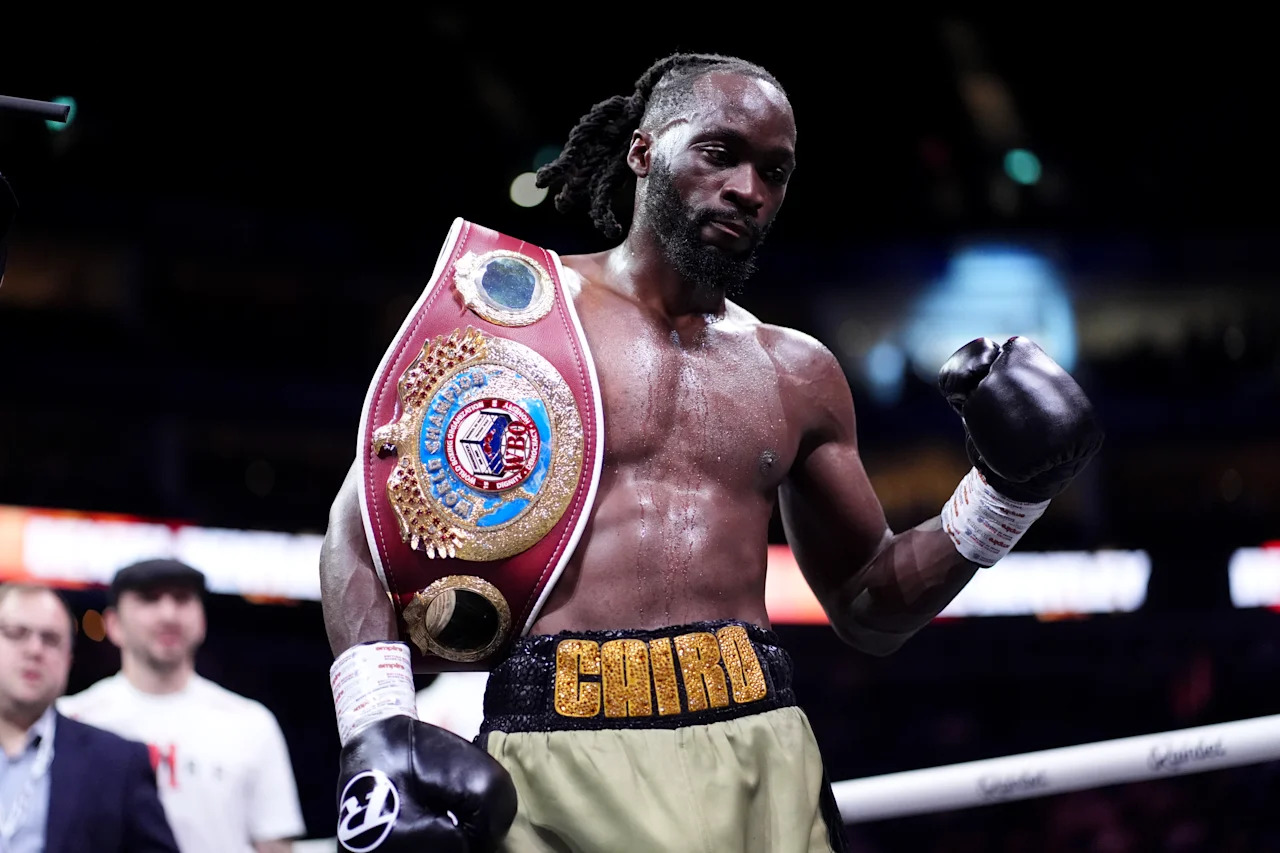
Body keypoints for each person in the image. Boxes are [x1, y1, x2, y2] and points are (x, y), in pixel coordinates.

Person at [319, 52, 1103, 852]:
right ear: (643, 151)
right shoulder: (514, 317)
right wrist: (376, 728)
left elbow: (871, 606)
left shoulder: (797, 372)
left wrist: (1006, 498)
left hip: (761, 746)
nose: (748, 190)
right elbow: (361, 532)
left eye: (775, 171)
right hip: (559, 753)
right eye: (719, 153)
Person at [58, 560, 306, 853]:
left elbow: (275, 846)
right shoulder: (71, 720)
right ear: (113, 624)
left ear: (202, 621)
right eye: (149, 599)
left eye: (182, 599)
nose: (168, 614)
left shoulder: (251, 723)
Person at [0, 582, 179, 853]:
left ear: (68, 660)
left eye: (51, 639)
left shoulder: (118, 763)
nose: (34, 650)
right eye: (16, 633)